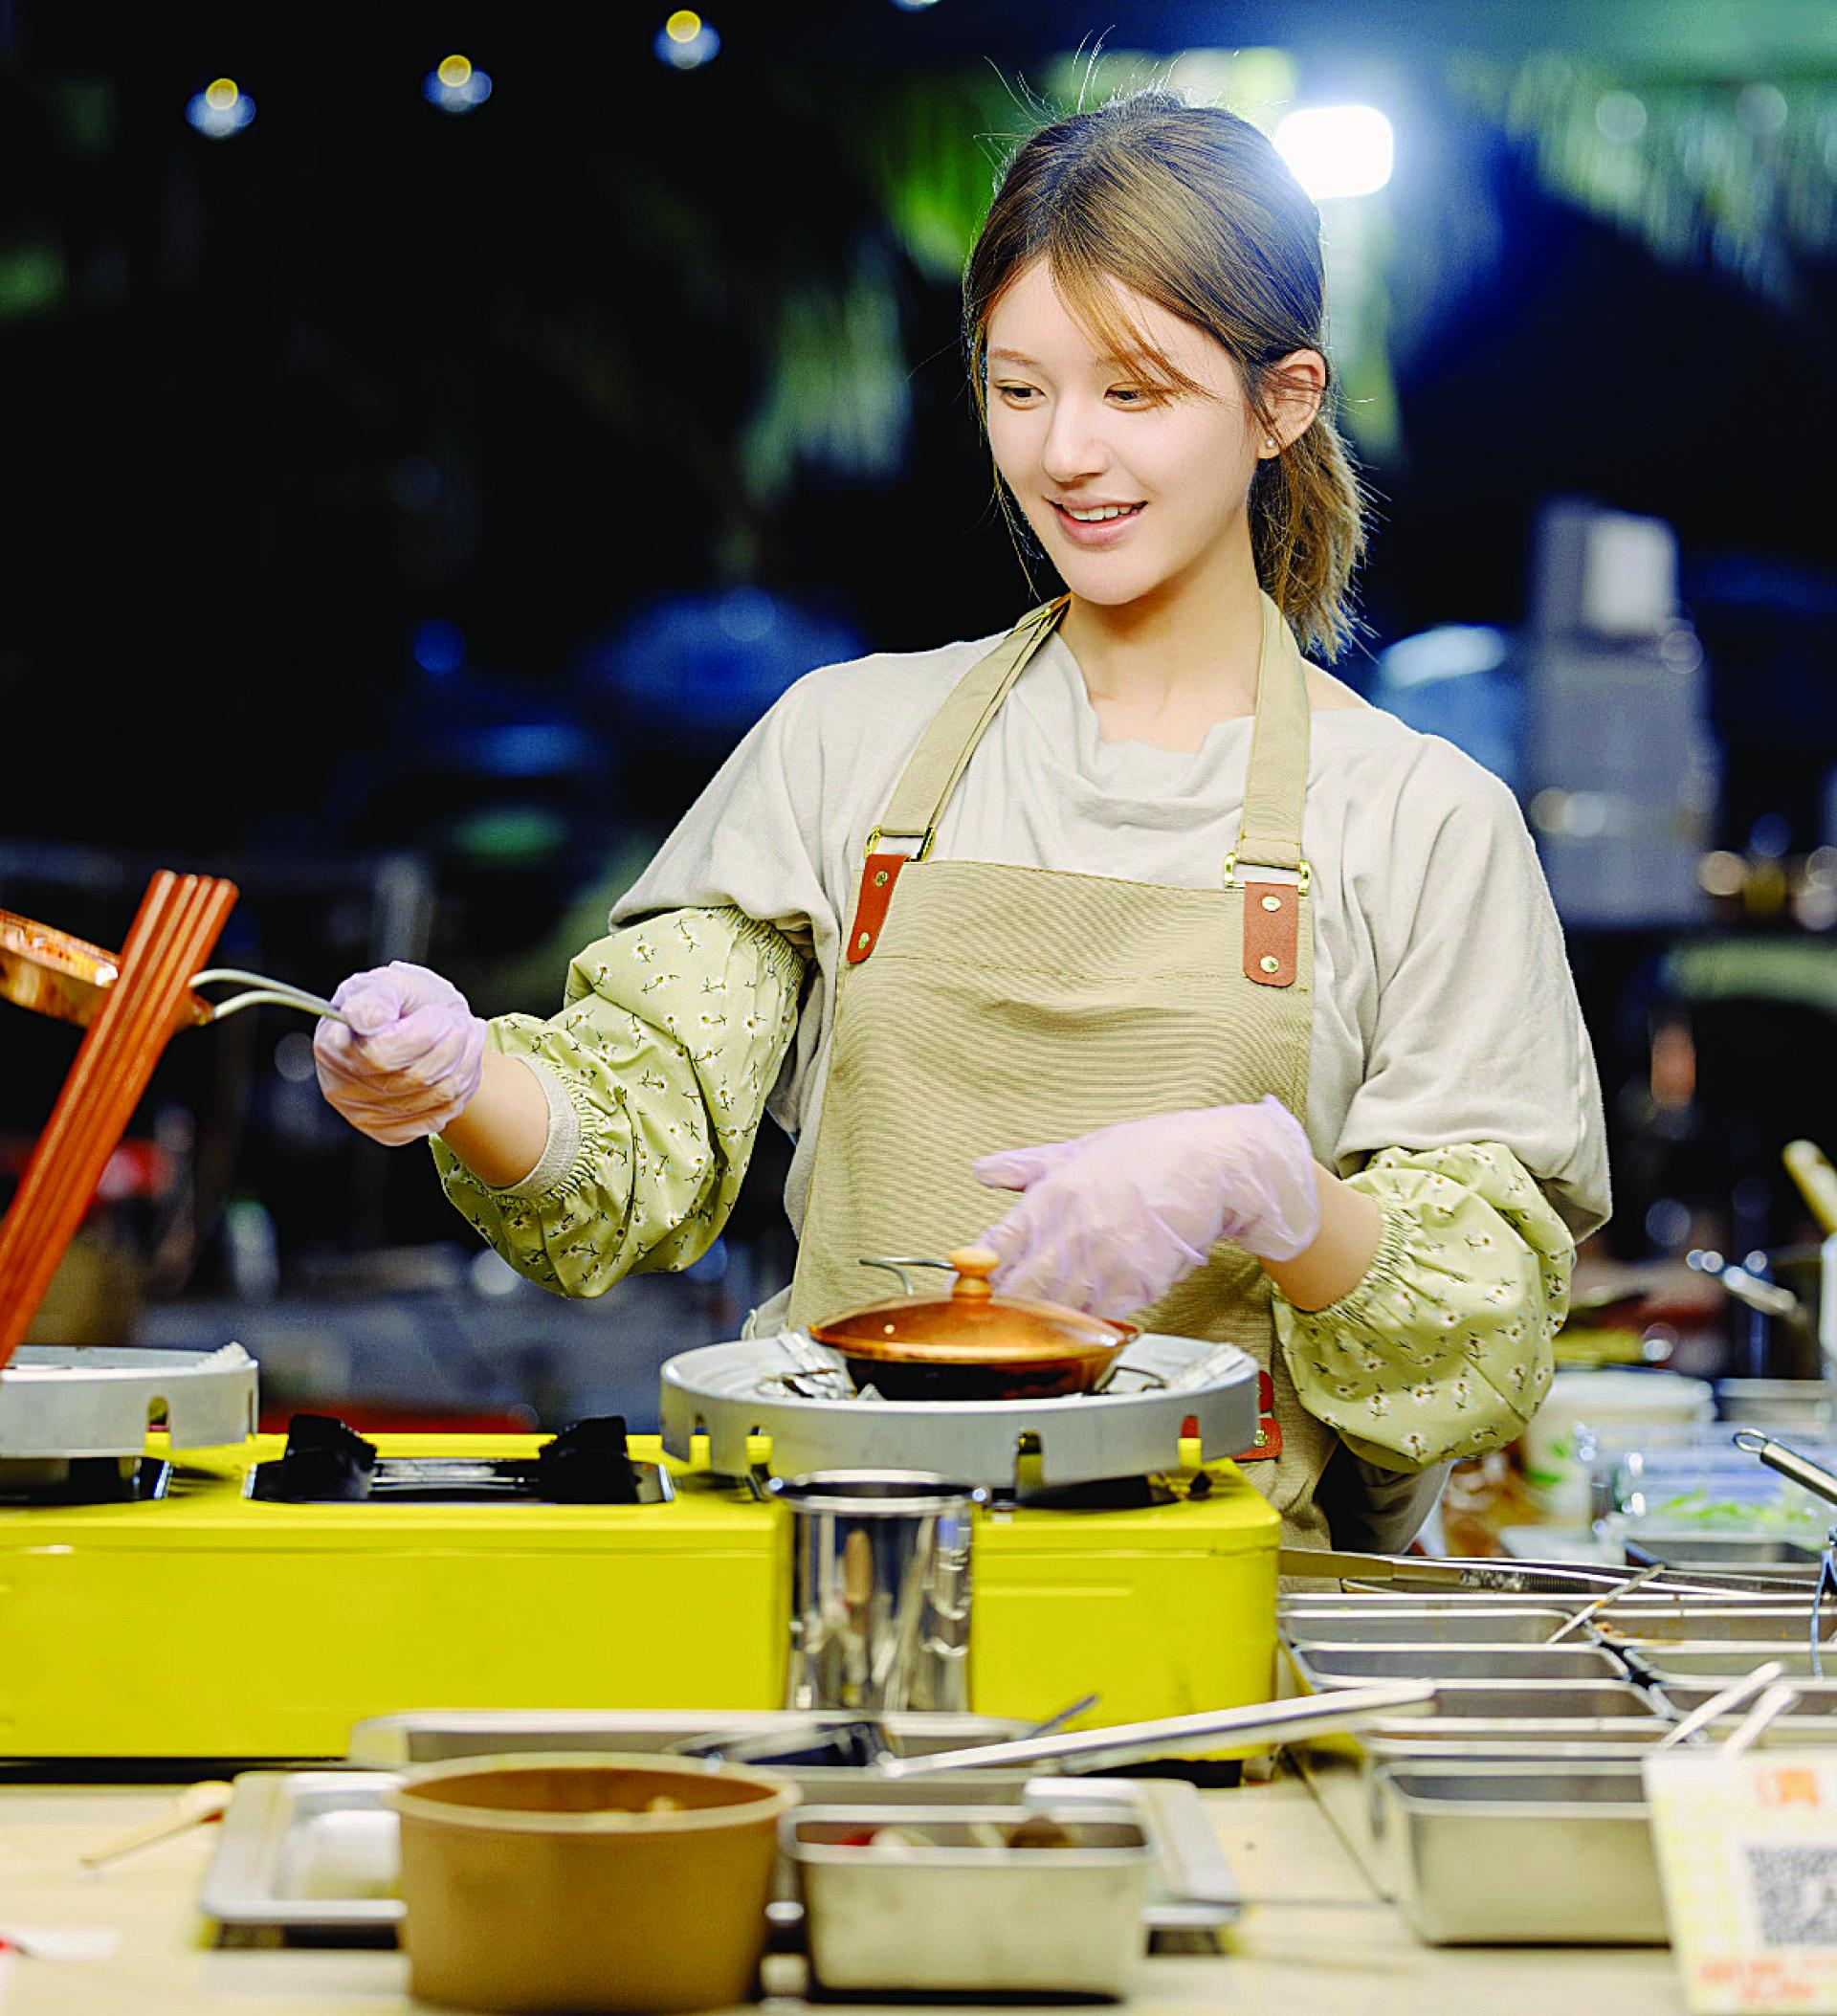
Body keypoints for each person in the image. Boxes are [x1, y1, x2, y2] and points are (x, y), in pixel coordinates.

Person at [315, 89, 1609, 1553]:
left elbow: (1482, 1347)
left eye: (1135, 393)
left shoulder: (1421, 819)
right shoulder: (842, 743)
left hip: (1225, 1624)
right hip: (835, 1580)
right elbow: (632, 1140)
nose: (1067, 454)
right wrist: (461, 1071)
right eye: (1019, 388)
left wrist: (1273, 1192)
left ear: (1280, 403)